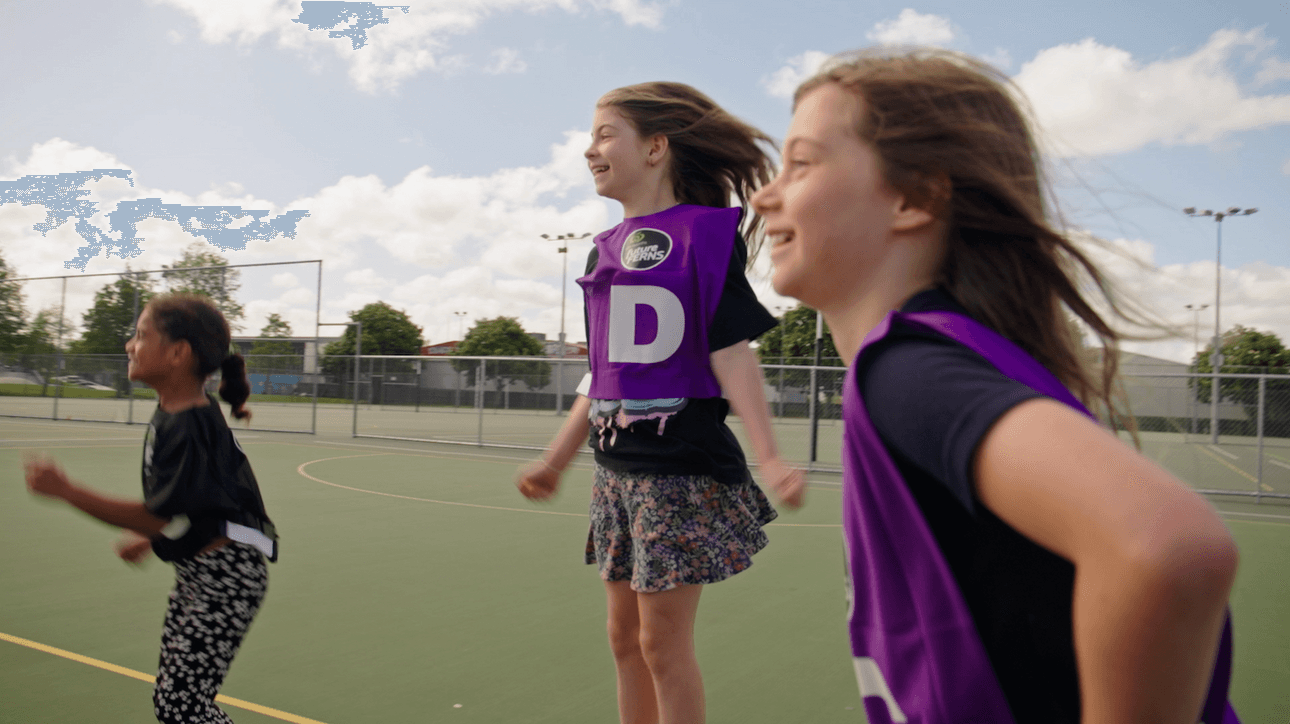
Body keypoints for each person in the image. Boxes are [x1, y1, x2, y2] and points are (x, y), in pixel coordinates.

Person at [750, 48, 1240, 724]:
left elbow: (1169, 543)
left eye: (800, 164)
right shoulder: (948, 360)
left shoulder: (909, 373)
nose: (763, 194)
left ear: (915, 196)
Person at [516, 81, 805, 724]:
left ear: (656, 148)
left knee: (662, 645)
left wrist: (772, 455)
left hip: (677, 468)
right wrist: (557, 459)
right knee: (624, 640)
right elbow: (601, 375)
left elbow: (730, 350)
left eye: (604, 133)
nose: (589, 149)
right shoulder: (602, 250)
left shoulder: (704, 235)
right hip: (616, 470)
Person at [25, 292, 278, 724]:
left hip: (227, 579)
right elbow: (203, 498)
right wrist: (151, 536)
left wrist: (68, 491)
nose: (129, 345)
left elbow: (158, 512)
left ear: (178, 353)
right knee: (174, 701)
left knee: (181, 706)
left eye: (141, 335)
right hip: (203, 572)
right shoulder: (177, 412)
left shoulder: (191, 425)